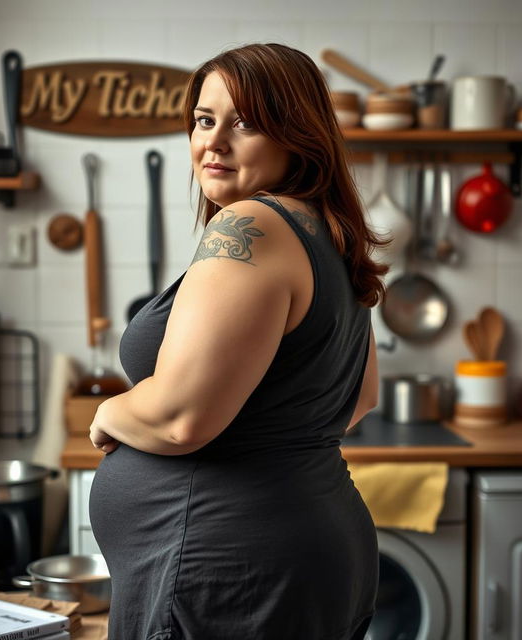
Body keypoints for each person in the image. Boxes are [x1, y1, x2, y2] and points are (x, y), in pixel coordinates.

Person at [88, 42, 388, 640]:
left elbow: (181, 419)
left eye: (245, 123)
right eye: (204, 120)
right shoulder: (326, 231)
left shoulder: (251, 225)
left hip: (226, 571)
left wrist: (109, 413)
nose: (213, 141)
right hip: (304, 547)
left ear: (297, 135)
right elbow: (362, 396)